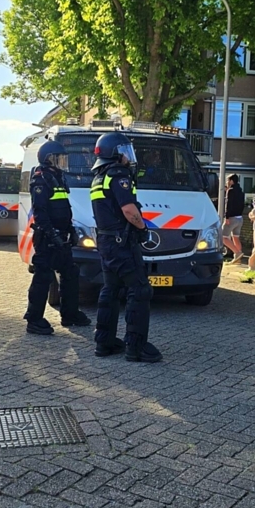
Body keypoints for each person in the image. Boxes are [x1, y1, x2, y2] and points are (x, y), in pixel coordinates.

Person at [90, 132, 161, 363]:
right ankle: (136, 347)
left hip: (106, 242)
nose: (127, 157)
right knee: (139, 290)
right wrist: (142, 229)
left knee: (110, 290)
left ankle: (104, 342)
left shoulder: (99, 177)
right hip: (122, 243)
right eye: (124, 151)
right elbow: (129, 210)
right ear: (114, 153)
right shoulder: (118, 174)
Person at [23, 140, 91, 335]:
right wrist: (52, 235)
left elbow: (63, 208)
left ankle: (70, 314)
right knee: (43, 277)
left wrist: (70, 230)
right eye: (60, 158)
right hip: (47, 238)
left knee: (70, 273)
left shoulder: (58, 177)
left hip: (62, 236)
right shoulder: (41, 180)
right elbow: (40, 212)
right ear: (49, 159)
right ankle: (34, 319)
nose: (63, 161)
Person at [222, 174, 245, 264]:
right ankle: (238, 259)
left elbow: (228, 204)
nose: (227, 182)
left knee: (223, 237)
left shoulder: (230, 191)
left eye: (228, 180)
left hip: (231, 218)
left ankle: (237, 253)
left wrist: (226, 217)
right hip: (239, 218)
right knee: (236, 237)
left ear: (231, 181)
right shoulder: (241, 191)